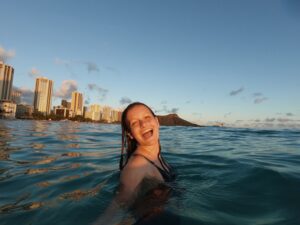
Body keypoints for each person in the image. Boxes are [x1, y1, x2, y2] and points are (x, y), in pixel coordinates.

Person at [93, 102, 175, 225]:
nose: (143, 124)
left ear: (157, 122)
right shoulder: (136, 167)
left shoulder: (157, 158)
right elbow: (113, 213)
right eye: (135, 123)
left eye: (147, 117)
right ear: (130, 134)